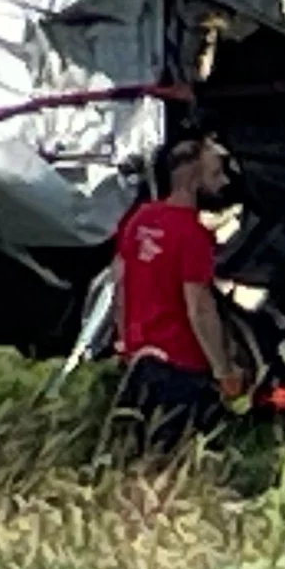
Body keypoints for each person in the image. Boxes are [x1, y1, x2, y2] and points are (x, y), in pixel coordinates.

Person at [112, 134, 246, 437]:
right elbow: (199, 307)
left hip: (141, 363)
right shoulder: (192, 235)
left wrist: (126, 343)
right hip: (182, 368)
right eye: (215, 173)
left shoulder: (140, 219)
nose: (224, 181)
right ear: (193, 181)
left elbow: (119, 285)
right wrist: (223, 370)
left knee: (139, 455)